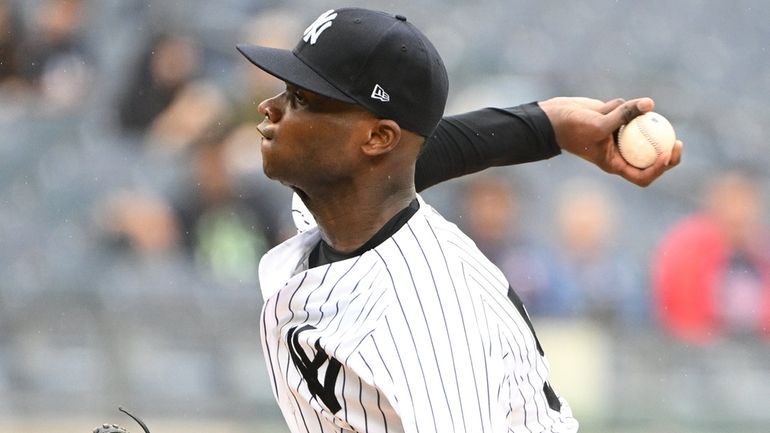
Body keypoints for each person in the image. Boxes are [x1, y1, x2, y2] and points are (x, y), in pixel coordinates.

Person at [237, 7, 682, 433]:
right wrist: (545, 126)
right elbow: (417, 155)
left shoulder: (424, 317)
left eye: (300, 98)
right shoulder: (345, 207)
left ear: (376, 137)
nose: (269, 107)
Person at [653, 169, 770, 344]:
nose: (739, 212)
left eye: (746, 202)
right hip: (701, 351)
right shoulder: (687, 247)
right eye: (732, 201)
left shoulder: (760, 250)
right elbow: (682, 316)